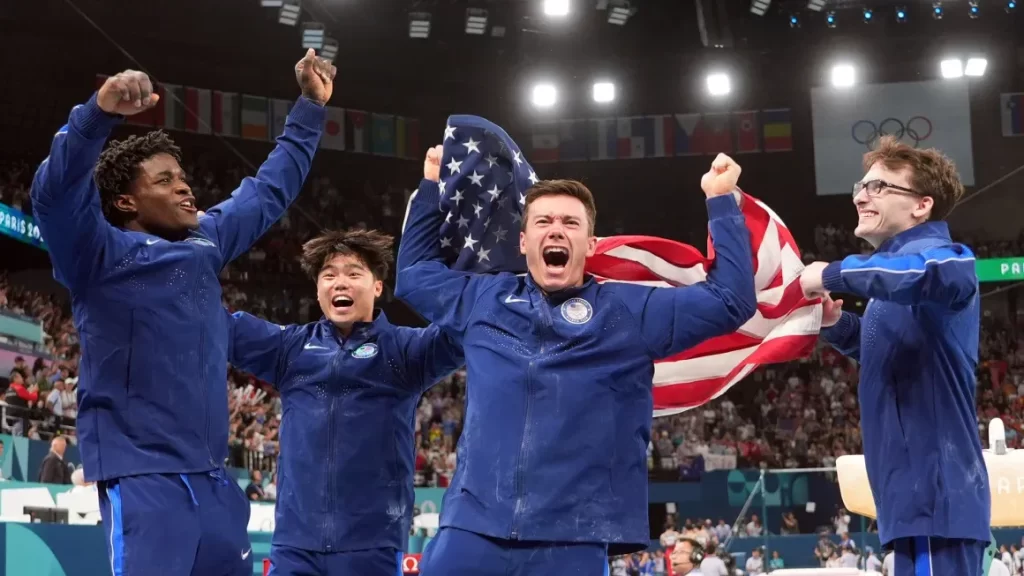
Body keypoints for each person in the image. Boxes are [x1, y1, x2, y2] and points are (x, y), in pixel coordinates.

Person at [30, 50, 335, 576]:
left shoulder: (206, 241)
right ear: (126, 203)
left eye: (183, 177)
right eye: (165, 180)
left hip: (215, 482)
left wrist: (310, 107)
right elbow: (54, 196)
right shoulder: (96, 254)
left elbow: (268, 191)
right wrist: (98, 115)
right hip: (144, 479)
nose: (185, 187)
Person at [396, 140, 757, 575]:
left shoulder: (627, 312)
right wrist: (430, 187)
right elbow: (414, 276)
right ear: (523, 241)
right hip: (472, 528)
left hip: (574, 536)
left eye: (570, 222)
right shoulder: (484, 299)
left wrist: (721, 200)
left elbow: (731, 300)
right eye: (543, 221)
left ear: (591, 243)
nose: (556, 230)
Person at [799, 135, 989, 576]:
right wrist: (836, 324)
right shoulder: (891, 278)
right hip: (915, 500)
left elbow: (926, 274)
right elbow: (887, 348)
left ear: (922, 205)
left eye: (879, 187)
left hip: (935, 498)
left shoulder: (947, 262)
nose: (861, 197)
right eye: (860, 187)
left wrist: (833, 273)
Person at [228, 229, 463, 576]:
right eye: (329, 275)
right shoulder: (290, 349)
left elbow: (463, 328)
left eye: (354, 273)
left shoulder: (404, 351)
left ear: (377, 287)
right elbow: (213, 325)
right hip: (295, 545)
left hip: (372, 545)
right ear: (317, 290)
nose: (340, 282)